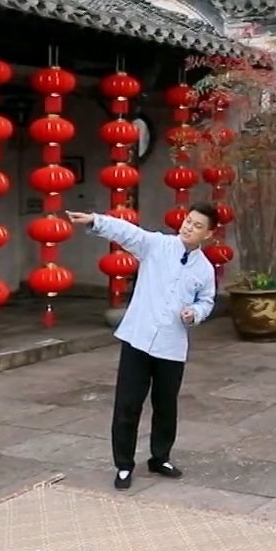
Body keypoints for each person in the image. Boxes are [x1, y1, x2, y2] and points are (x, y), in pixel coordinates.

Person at [67, 204, 217, 491]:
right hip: (138, 338)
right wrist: (95, 220)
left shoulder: (205, 269)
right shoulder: (157, 245)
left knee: (166, 405)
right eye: (188, 221)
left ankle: (160, 457)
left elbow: (207, 300)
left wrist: (195, 313)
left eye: (198, 225)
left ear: (208, 234)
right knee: (128, 404)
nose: (189, 227)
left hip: (172, 345)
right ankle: (124, 464)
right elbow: (127, 232)